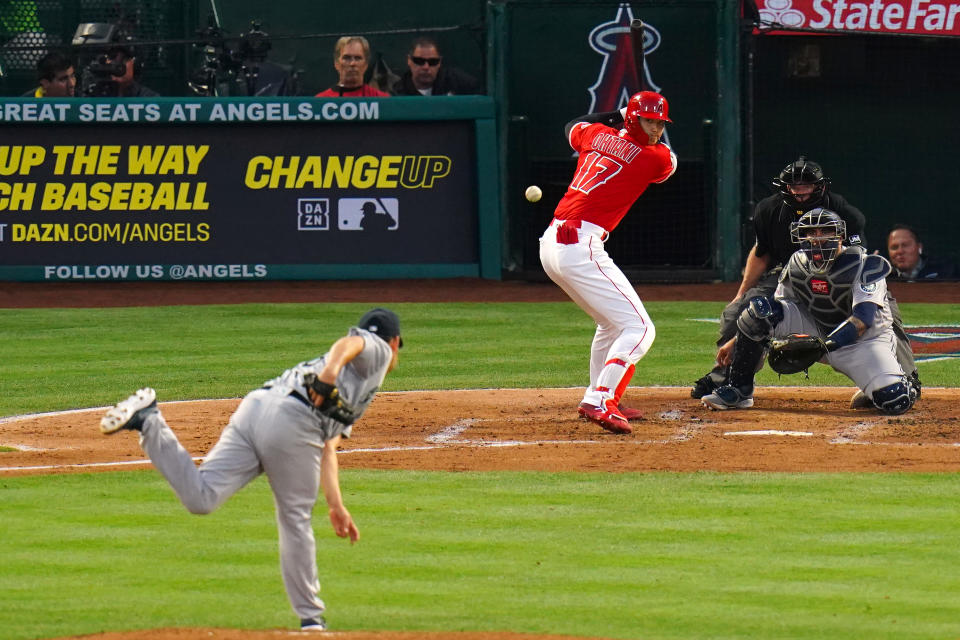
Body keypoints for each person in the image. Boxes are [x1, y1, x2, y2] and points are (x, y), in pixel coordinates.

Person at [99, 308, 404, 632]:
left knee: (202, 498)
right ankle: (311, 619)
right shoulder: (379, 353)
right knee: (294, 517)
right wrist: (329, 374)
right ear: (396, 342)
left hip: (257, 406)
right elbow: (350, 343)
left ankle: (149, 420)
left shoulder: (356, 385)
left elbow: (329, 447)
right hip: (292, 421)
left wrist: (335, 504)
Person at [689, 157, 908, 398]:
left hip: (840, 272)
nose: (800, 190)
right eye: (794, 185)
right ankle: (728, 380)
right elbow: (761, 253)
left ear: (820, 186)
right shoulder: (769, 210)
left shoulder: (844, 211)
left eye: (806, 184)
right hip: (794, 272)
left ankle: (907, 377)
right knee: (745, 312)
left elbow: (857, 260)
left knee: (885, 317)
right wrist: (740, 294)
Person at [539, 91, 677, 435]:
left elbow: (573, 125)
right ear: (635, 119)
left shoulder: (596, 134)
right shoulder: (653, 157)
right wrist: (631, 123)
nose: (657, 129)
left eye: (661, 123)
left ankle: (594, 394)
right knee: (641, 329)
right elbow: (670, 163)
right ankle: (603, 398)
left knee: (609, 324)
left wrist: (617, 114)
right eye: (650, 121)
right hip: (580, 246)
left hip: (553, 244)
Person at [701, 208, 917, 416]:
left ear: (840, 235)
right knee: (760, 310)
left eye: (825, 231)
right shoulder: (797, 263)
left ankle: (892, 384)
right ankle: (739, 390)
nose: (817, 238)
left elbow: (862, 320)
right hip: (819, 328)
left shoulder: (865, 265)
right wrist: (739, 339)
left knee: (894, 400)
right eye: (811, 232)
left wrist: (823, 346)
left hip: (864, 343)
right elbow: (776, 308)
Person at [391, 36, 481, 96]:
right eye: (419, 61)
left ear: (440, 62)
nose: (426, 67)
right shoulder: (398, 93)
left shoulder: (456, 81)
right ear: (409, 60)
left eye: (433, 62)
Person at [315, 36, 390, 98]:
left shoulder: (380, 100)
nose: (352, 63)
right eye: (347, 58)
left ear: (366, 64)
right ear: (336, 63)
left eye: (358, 58)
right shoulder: (321, 101)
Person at [886, 224, 958, 280]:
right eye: (894, 247)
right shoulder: (883, 278)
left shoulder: (945, 272)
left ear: (919, 247)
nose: (900, 251)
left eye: (905, 245)